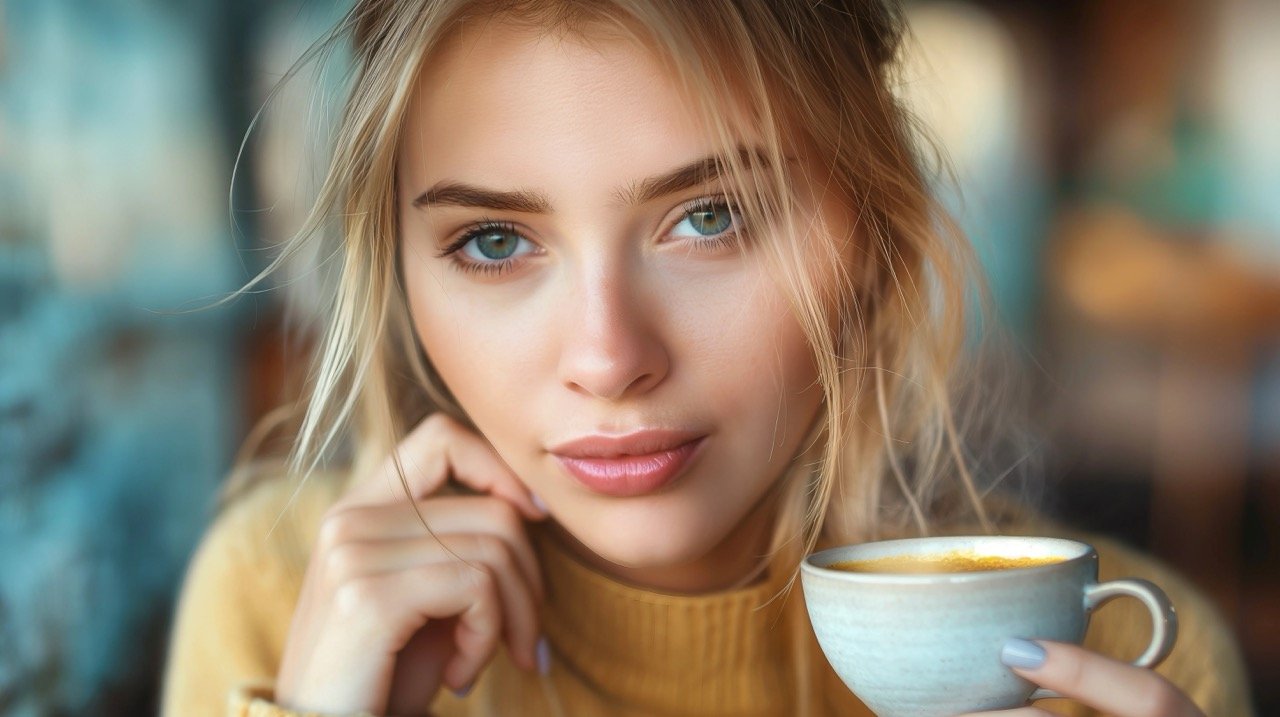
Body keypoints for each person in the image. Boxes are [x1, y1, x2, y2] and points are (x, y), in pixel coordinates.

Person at [161, 1, 1254, 715]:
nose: (607, 358)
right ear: (395, 268)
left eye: (710, 218)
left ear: (876, 232)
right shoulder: (285, 598)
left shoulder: (1117, 661)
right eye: (493, 242)